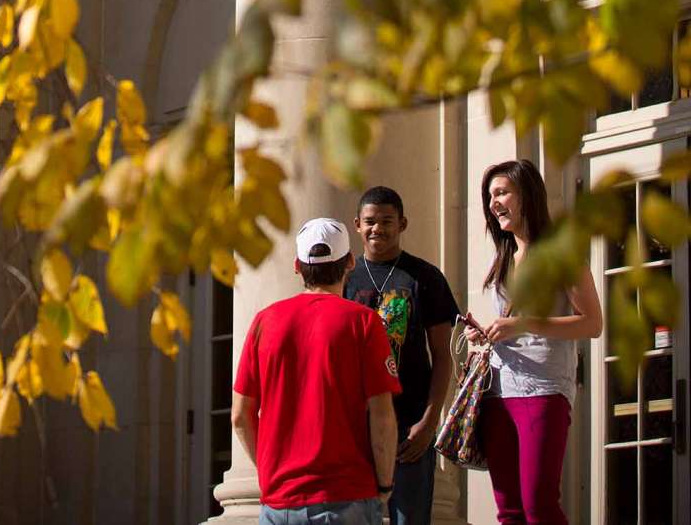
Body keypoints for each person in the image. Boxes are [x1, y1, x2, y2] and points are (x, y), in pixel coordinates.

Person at [232, 217, 401, 525]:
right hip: (346, 494)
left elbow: (240, 416)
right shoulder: (364, 322)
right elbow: (382, 416)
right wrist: (385, 483)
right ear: (350, 261)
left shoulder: (264, 322)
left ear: (297, 265)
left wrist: (272, 472)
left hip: (280, 503)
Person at [464, 159, 603, 525]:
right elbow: (510, 327)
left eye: (502, 192)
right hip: (497, 393)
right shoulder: (503, 257)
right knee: (508, 511)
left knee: (539, 506)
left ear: (527, 195)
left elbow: (592, 323)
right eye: (489, 196)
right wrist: (485, 333)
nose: (493, 203)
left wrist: (524, 324)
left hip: (543, 390)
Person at [344, 186, 460, 525]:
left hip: (410, 427)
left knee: (409, 518)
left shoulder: (425, 277)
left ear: (403, 223)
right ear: (356, 225)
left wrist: (429, 421)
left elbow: (442, 356)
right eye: (370, 221)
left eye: (386, 221)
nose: (377, 228)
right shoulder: (345, 278)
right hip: (357, 425)